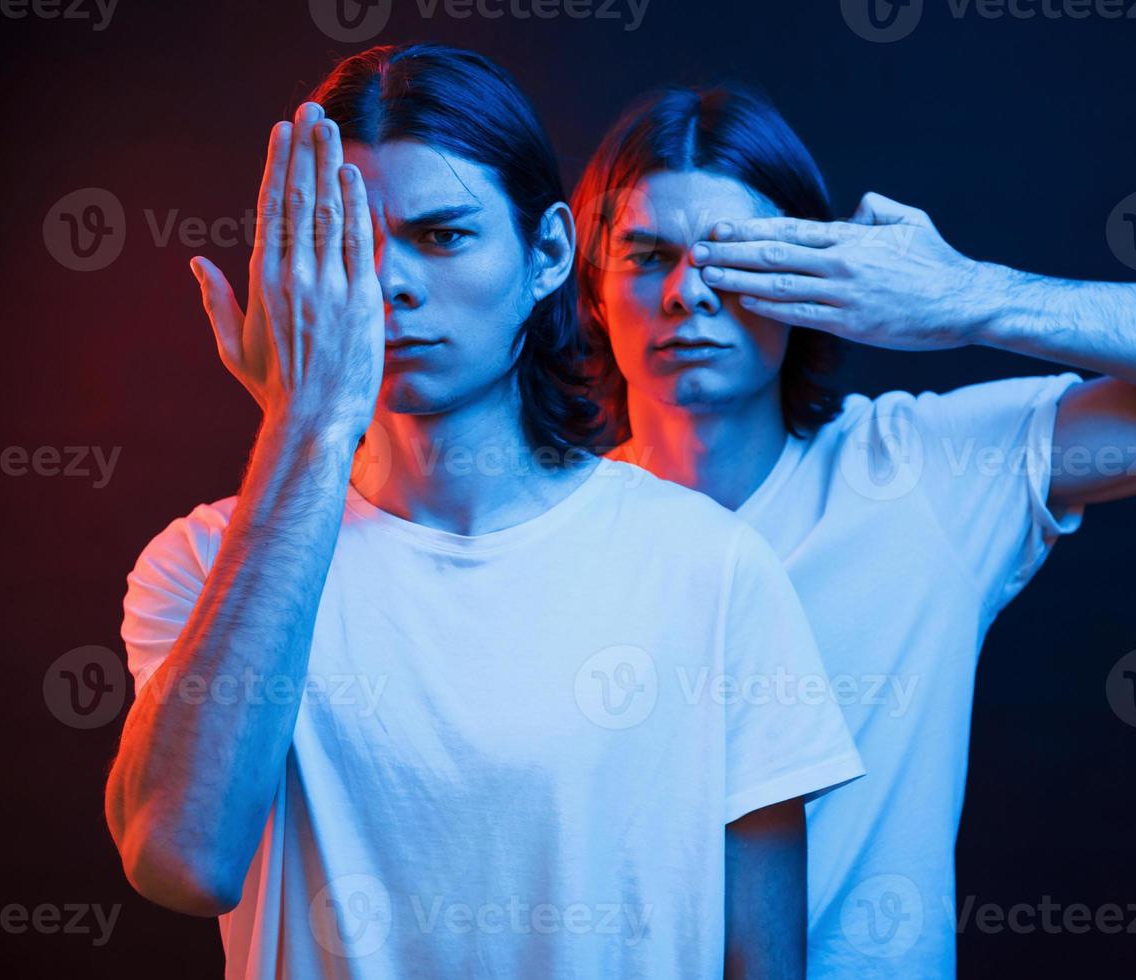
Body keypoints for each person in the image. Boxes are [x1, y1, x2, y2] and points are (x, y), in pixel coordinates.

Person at [571, 84, 1136, 977]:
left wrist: (970, 297)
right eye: (646, 255)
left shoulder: (923, 474)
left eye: (739, 256)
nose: (689, 293)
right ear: (594, 290)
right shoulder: (544, 526)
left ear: (813, 271)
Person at [105, 47, 863, 979]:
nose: (390, 284)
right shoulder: (203, 560)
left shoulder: (709, 567)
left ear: (548, 253)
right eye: (351, 241)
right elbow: (182, 860)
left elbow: (764, 959)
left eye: (442, 234)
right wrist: (308, 428)